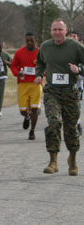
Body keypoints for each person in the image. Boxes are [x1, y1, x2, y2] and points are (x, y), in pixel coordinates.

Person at [35, 19, 84, 176]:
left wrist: (79, 69)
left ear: (66, 31)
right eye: (54, 29)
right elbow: (40, 63)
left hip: (70, 92)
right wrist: (38, 75)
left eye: (60, 30)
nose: (57, 32)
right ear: (51, 31)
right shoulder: (45, 47)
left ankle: (73, 160)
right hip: (52, 92)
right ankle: (53, 160)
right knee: (54, 123)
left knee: (71, 128)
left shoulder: (76, 47)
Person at [10, 32, 42, 140]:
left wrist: (41, 75)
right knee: (23, 110)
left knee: (35, 109)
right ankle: (26, 116)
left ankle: (32, 131)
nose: (29, 42)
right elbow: (13, 65)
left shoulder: (40, 53)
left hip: (36, 84)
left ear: (35, 40)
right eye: (27, 40)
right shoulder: (19, 53)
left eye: (31, 40)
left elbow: (46, 66)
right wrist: (17, 73)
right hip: (23, 84)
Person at [67, 31, 83, 136]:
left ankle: (77, 123)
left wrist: (79, 69)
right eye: (70, 36)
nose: (72, 38)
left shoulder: (81, 50)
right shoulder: (64, 50)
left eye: (74, 36)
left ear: (78, 38)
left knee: (77, 104)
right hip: (65, 83)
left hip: (78, 82)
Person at [0, 40, 12, 117]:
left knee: (0, 94)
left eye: (0, 46)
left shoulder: (5, 55)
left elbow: (12, 64)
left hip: (2, 77)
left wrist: (7, 63)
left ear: (2, 46)